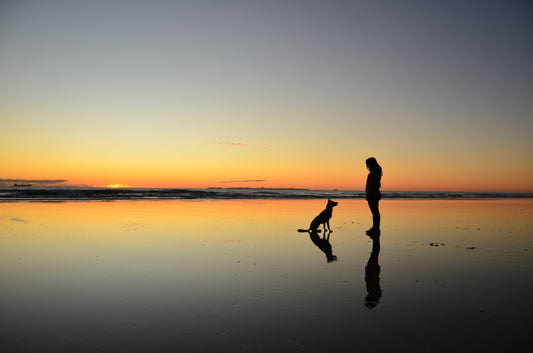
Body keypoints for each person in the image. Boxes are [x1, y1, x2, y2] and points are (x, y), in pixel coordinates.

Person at [365, 157, 382, 236]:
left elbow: (371, 185)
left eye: (367, 164)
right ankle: (375, 228)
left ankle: (376, 228)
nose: (367, 166)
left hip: (373, 195)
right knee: (375, 212)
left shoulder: (373, 173)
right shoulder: (376, 173)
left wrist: (368, 194)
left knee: (375, 212)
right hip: (375, 194)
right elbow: (378, 185)